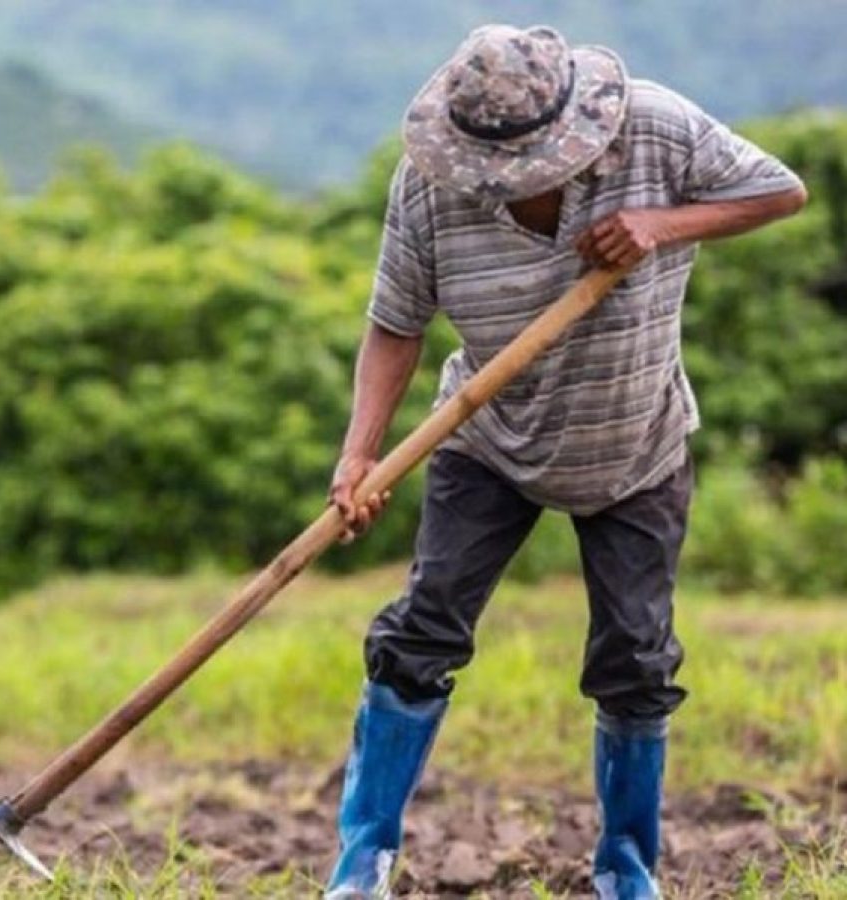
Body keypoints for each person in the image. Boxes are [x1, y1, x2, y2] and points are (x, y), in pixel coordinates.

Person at [324, 23, 806, 900]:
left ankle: (627, 870)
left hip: (635, 443)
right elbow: (395, 322)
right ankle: (362, 865)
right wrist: (360, 457)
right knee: (420, 635)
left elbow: (781, 191)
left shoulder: (655, 128)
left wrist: (662, 224)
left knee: (636, 660)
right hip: (487, 439)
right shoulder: (429, 186)